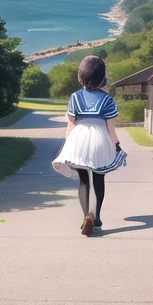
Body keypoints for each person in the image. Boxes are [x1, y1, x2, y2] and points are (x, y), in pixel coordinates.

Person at [51, 55, 125, 236]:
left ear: (81, 75)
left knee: (84, 180)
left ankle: (86, 216)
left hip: (79, 139)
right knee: (99, 178)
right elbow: (111, 130)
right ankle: (97, 219)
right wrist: (117, 147)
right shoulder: (107, 100)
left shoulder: (75, 97)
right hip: (100, 139)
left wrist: (66, 147)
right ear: (102, 76)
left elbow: (70, 125)